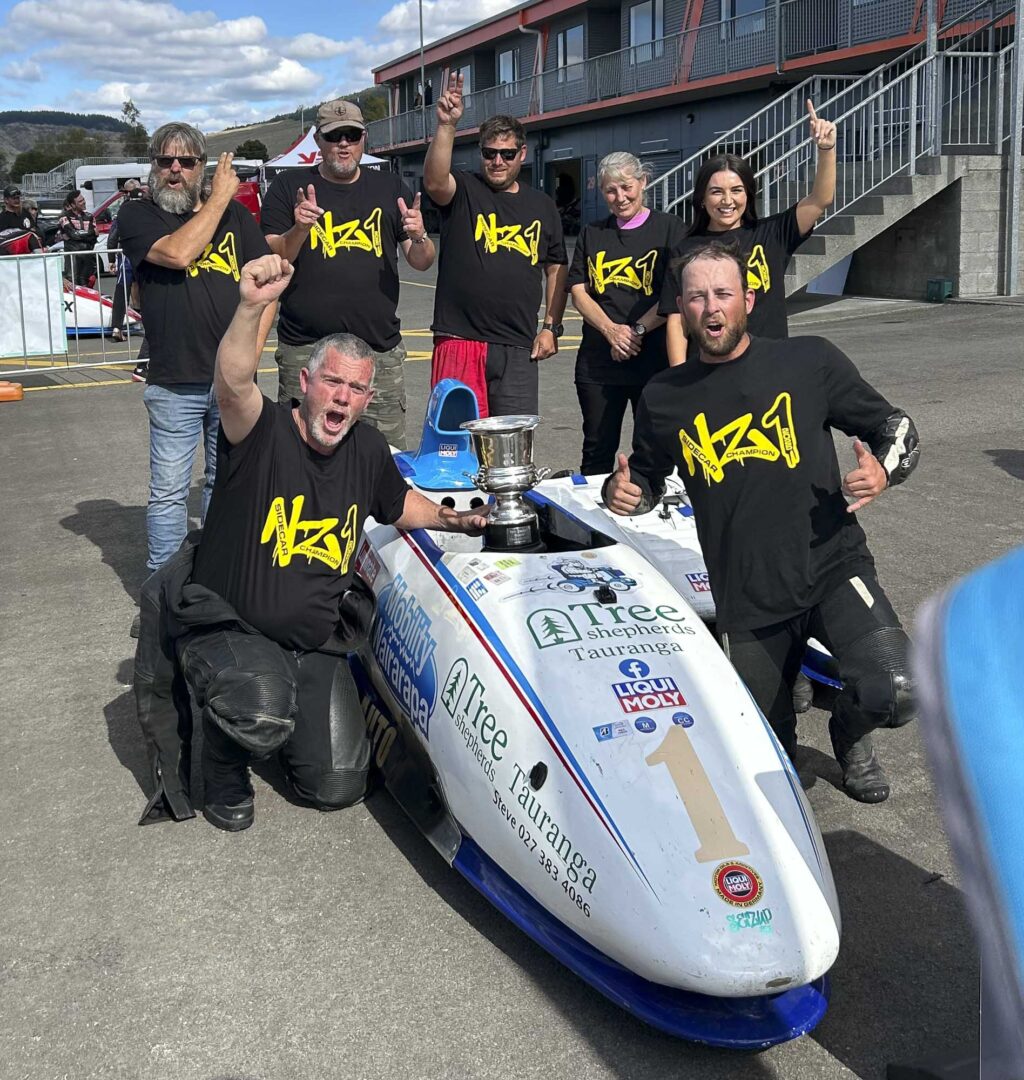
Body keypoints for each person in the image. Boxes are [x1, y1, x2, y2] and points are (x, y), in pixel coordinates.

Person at [136, 253, 489, 832]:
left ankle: (270, 714)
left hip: (312, 643)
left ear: (367, 399)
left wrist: (457, 520)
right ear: (305, 384)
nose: (343, 397)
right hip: (232, 624)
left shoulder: (368, 450)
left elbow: (397, 504)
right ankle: (224, 756)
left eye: (356, 388)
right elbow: (231, 382)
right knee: (257, 707)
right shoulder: (262, 429)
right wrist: (251, 305)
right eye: (333, 381)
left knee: (336, 786)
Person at [605, 244, 920, 803]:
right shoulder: (663, 396)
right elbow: (645, 478)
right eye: (698, 297)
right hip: (746, 595)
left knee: (895, 688)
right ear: (682, 307)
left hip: (831, 565)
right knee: (771, 766)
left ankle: (848, 737)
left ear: (747, 300)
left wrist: (884, 472)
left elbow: (895, 426)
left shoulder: (809, 362)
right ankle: (791, 720)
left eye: (723, 293)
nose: (711, 307)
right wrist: (624, 492)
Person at [116, 123, 273, 589]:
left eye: (186, 162)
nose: (175, 170)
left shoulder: (237, 220)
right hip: (174, 382)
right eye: (166, 161)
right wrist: (221, 199)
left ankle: (211, 581)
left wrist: (249, 354)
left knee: (224, 486)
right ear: (153, 165)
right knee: (167, 495)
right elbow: (181, 253)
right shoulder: (138, 215)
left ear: (202, 167)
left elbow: (268, 286)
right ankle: (164, 593)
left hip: (232, 383)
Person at [261, 97, 433, 451]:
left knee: (385, 455)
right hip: (306, 349)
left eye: (351, 136)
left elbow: (422, 260)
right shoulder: (287, 187)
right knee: (301, 452)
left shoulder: (390, 188)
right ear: (319, 141)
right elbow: (278, 257)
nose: (343, 144)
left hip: (377, 350)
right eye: (334, 135)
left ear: (363, 139)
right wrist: (299, 228)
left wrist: (420, 235)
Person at [424, 72, 568, 418]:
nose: (497, 161)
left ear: (522, 153)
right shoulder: (464, 190)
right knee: (454, 447)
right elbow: (434, 180)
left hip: (517, 346)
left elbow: (556, 267)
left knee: (512, 454)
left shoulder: (542, 205)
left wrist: (550, 327)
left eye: (506, 154)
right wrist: (446, 125)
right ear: (481, 154)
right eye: (490, 153)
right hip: (459, 340)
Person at [661, 100, 837, 366]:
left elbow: (820, 199)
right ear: (701, 199)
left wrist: (826, 149)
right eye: (716, 191)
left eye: (736, 190)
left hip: (769, 365)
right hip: (709, 367)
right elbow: (677, 321)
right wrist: (679, 375)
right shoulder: (685, 249)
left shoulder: (773, 233)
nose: (727, 200)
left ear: (749, 195)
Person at [567, 152, 686, 474]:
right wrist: (611, 332)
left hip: (652, 360)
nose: (620, 197)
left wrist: (635, 332)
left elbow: (673, 292)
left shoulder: (670, 229)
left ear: (643, 182)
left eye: (626, 187)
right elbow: (579, 291)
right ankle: (595, 520)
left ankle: (647, 513)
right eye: (610, 190)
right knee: (596, 449)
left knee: (652, 448)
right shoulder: (592, 233)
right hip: (599, 363)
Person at [106, 179, 145, 345]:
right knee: (147, 290)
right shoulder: (149, 210)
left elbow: (112, 238)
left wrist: (111, 259)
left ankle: (117, 327)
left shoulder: (122, 211)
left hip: (126, 256)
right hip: (144, 255)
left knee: (121, 292)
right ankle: (152, 326)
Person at [58, 189, 98, 286]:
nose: (84, 202)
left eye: (83, 199)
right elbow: (73, 234)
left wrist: (82, 234)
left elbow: (94, 236)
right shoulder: (64, 216)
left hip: (88, 256)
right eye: (80, 201)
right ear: (72, 205)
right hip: (73, 258)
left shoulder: (90, 216)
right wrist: (89, 233)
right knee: (73, 284)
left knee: (87, 284)